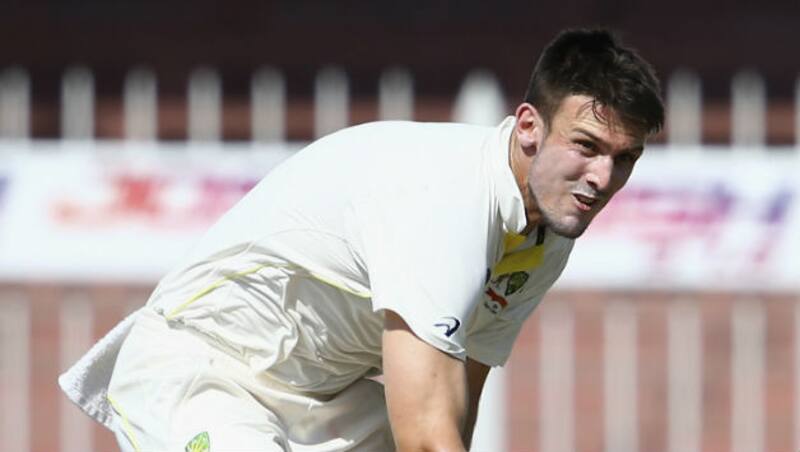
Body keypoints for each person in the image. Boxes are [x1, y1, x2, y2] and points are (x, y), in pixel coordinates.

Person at [60, 28, 664, 452]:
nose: (602, 179)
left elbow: (455, 401)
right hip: (201, 373)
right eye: (586, 146)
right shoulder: (447, 197)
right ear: (530, 126)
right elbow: (428, 438)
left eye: (624, 158)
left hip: (322, 410)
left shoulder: (545, 234)